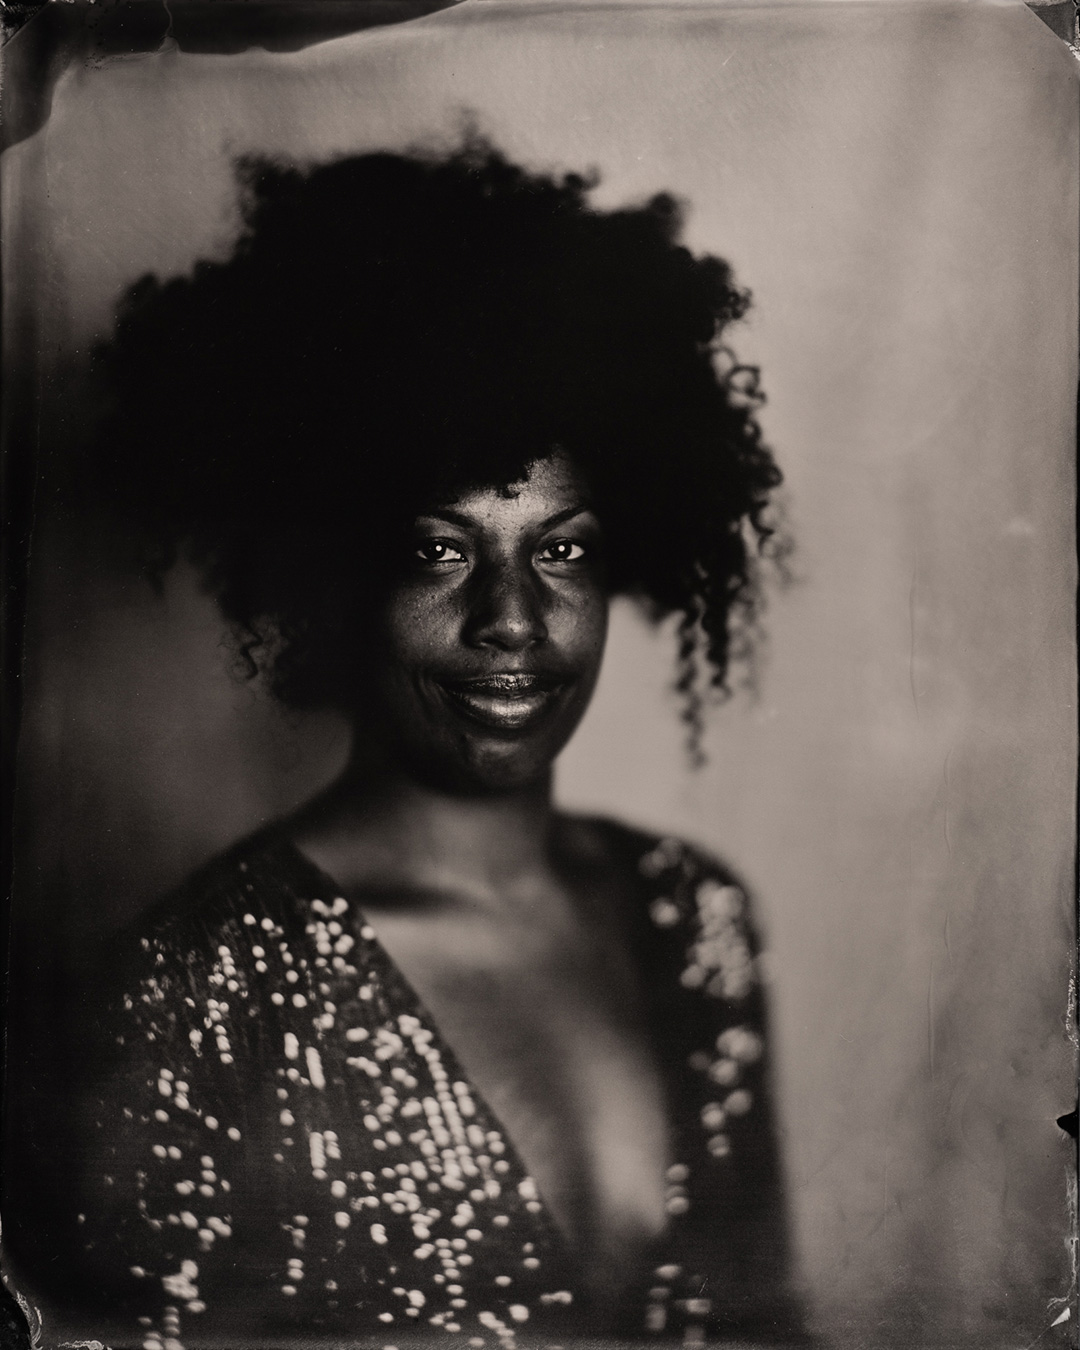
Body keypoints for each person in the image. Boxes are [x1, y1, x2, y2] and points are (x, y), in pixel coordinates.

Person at [9, 141, 799, 1347]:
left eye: (563, 549)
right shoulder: (196, 996)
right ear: (334, 574)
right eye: (438, 550)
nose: (513, 620)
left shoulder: (695, 919)